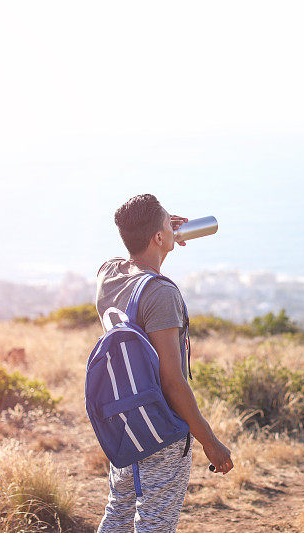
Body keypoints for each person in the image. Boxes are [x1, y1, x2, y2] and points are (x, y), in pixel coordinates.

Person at [94, 193, 233, 532]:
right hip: (162, 429)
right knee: (155, 525)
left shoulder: (108, 276)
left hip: (125, 421)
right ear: (159, 237)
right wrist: (209, 442)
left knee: (119, 513)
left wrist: (160, 232)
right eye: (167, 223)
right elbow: (172, 381)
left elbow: (131, 256)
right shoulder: (161, 294)